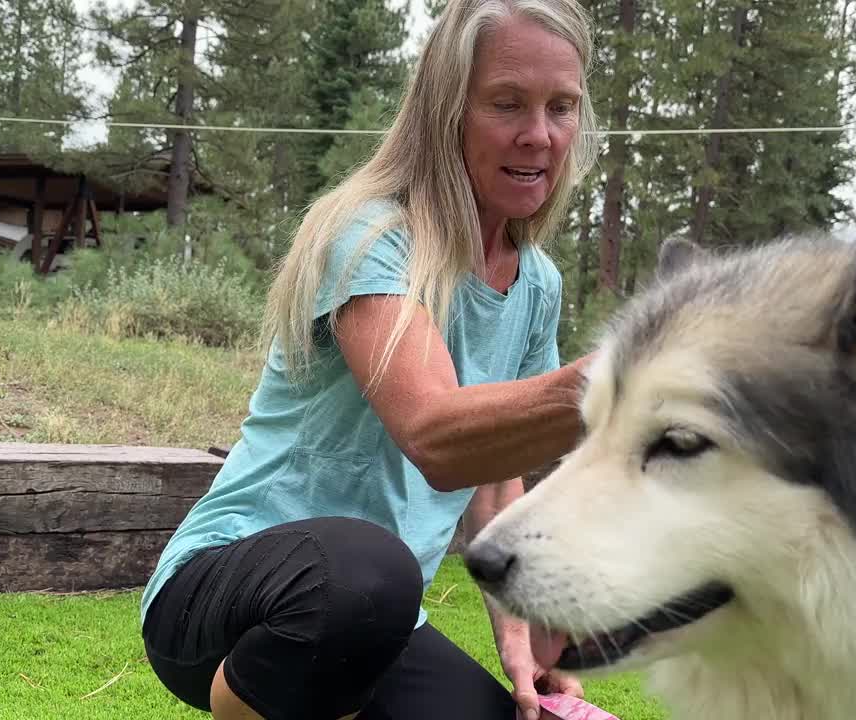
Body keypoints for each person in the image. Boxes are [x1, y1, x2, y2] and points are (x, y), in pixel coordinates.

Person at [139, 1, 602, 718]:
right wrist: (619, 381)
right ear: (447, 111)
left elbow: (492, 478)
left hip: (375, 624)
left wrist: (521, 639)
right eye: (507, 103)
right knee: (368, 574)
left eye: (561, 107)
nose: (538, 134)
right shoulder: (374, 237)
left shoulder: (536, 284)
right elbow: (436, 436)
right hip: (230, 592)